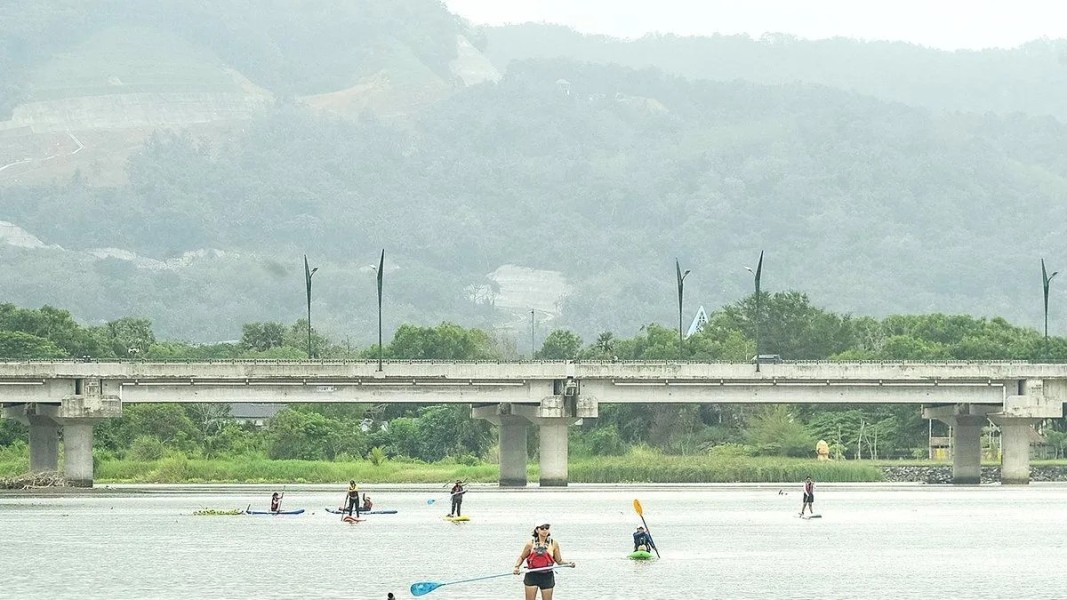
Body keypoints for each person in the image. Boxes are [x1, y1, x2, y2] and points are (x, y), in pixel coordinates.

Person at [513, 523, 574, 600]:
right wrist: (517, 567)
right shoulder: (530, 544)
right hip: (532, 575)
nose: (544, 530)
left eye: (547, 528)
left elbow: (559, 561)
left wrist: (569, 564)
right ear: (537, 530)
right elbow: (522, 557)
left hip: (547, 576)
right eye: (542, 528)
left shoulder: (554, 544)